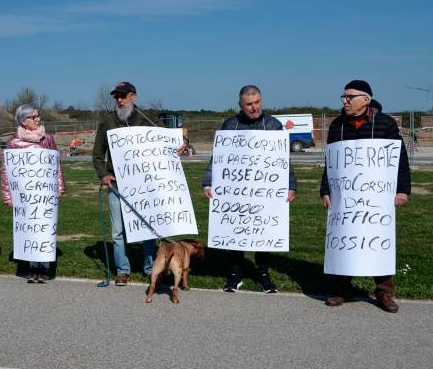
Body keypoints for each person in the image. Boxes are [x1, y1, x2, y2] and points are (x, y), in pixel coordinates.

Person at [320, 80, 411, 313]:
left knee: (377, 241)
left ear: (366, 100)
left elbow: (399, 159)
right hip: (346, 196)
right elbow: (330, 163)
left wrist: (402, 190)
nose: (345, 101)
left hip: (377, 199)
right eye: (343, 97)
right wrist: (325, 190)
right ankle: (342, 290)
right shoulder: (337, 126)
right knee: (344, 241)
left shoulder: (385, 124)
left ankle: (384, 292)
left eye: (350, 96)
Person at [202, 85, 297, 293]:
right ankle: (234, 275)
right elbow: (218, 156)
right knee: (236, 229)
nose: (254, 108)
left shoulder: (273, 125)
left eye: (257, 103)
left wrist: (290, 185)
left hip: (264, 190)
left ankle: (263, 274)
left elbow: (283, 160)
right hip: (237, 190)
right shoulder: (230, 124)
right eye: (249, 104)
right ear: (240, 105)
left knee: (264, 230)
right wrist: (208, 182)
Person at [92, 81, 187, 286]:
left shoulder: (149, 119)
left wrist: (184, 143)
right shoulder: (108, 121)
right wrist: (103, 175)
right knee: (118, 231)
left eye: (124, 96)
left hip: (144, 185)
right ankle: (122, 270)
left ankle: (150, 267)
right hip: (116, 185)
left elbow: (171, 139)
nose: (119, 100)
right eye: (117, 96)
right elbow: (98, 154)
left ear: (133, 97)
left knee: (148, 229)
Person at [0, 104, 65, 283]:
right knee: (29, 228)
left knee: (43, 227)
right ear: (23, 121)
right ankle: (31, 267)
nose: (38, 119)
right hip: (25, 196)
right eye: (33, 117)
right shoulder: (14, 143)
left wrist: (60, 187)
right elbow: (6, 171)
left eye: (38, 116)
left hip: (45, 195)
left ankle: (44, 267)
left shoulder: (48, 139)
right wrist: (8, 195)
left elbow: (56, 165)